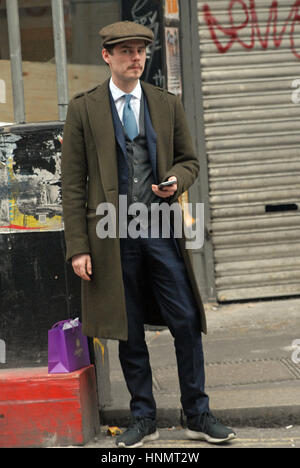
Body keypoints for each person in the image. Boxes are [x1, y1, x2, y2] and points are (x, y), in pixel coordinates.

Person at [61, 20, 236, 448]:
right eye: (125, 51)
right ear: (107, 56)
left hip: (159, 228)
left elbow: (189, 161)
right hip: (110, 233)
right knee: (129, 327)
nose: (135, 58)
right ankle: (143, 417)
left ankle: (197, 413)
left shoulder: (165, 103)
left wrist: (176, 179)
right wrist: (78, 248)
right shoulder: (84, 109)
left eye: (140, 51)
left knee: (187, 319)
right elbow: (72, 184)